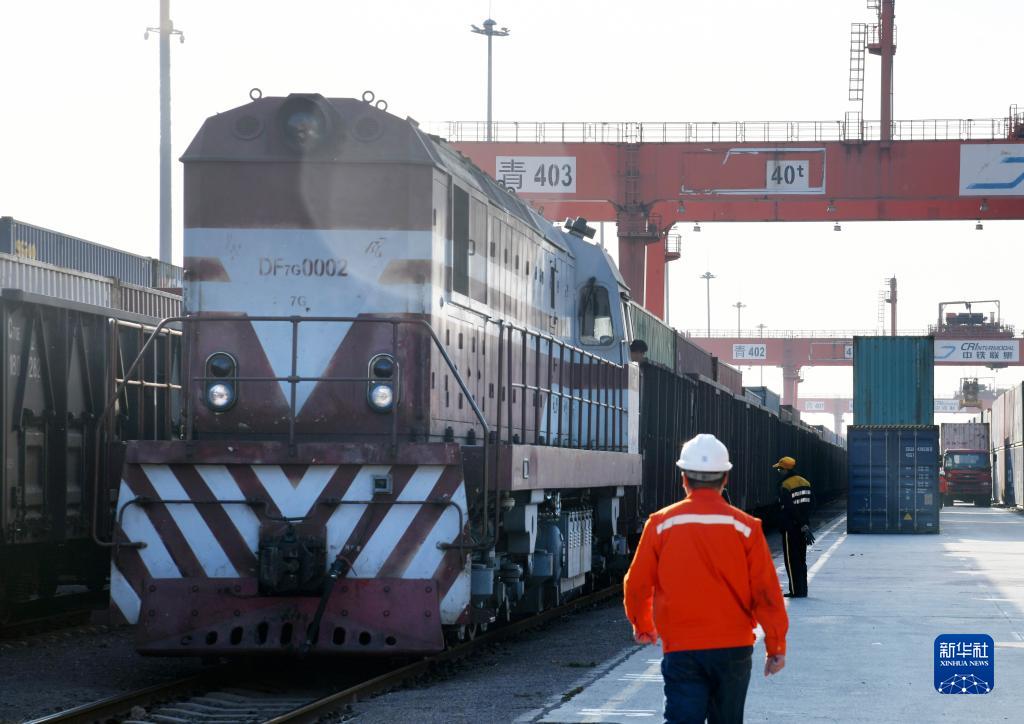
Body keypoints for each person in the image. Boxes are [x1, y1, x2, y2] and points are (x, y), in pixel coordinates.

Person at [624, 434, 788, 724]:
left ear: (683, 478)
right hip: (734, 648)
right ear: (725, 478)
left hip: (682, 648)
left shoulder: (661, 524)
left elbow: (636, 583)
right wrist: (775, 646)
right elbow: (766, 592)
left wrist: (644, 625)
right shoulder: (746, 528)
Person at [774, 456, 815, 598]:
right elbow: (811, 504)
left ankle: (795, 591)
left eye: (779, 469)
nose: (779, 472)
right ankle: (803, 590)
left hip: (790, 527)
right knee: (801, 559)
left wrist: (800, 523)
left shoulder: (785, 485)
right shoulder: (805, 482)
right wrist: (805, 524)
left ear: (785, 470)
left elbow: (789, 508)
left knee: (791, 560)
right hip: (803, 527)